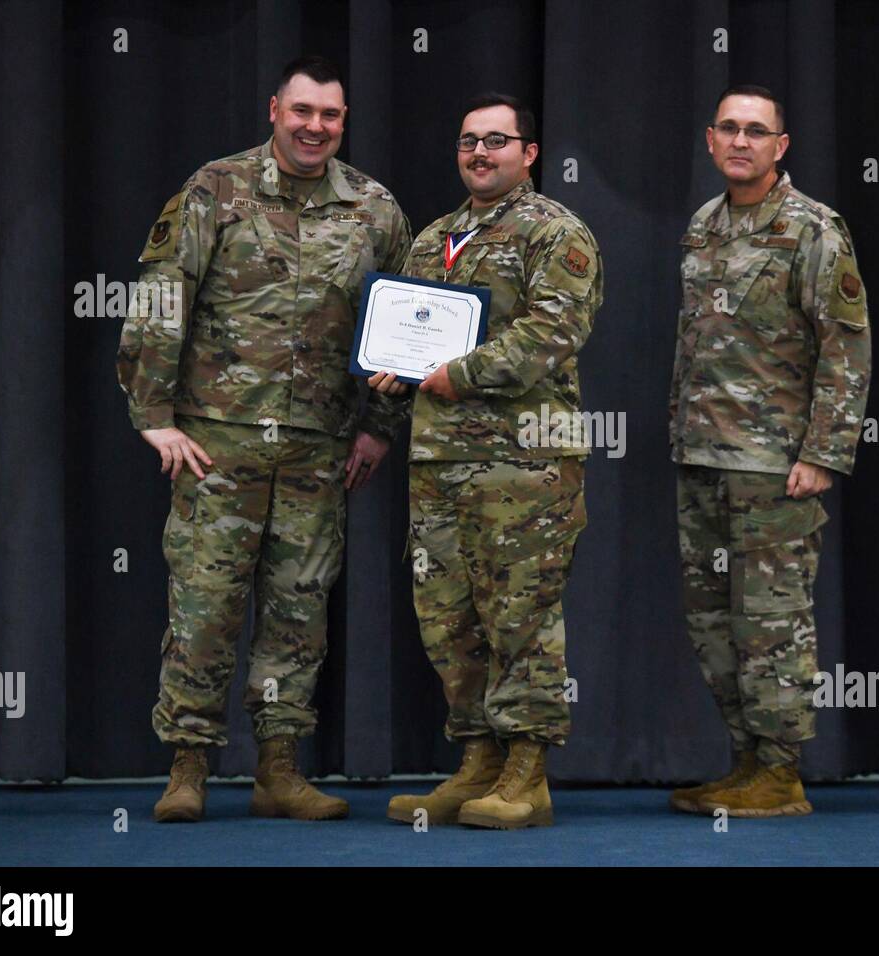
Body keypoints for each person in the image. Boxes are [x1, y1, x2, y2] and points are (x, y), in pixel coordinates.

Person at [116, 54, 412, 822]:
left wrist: (379, 430)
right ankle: (187, 767)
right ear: (274, 109)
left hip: (319, 446)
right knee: (205, 606)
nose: (316, 128)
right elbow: (160, 294)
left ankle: (278, 769)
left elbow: (402, 330)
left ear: (344, 123)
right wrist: (153, 417)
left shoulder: (375, 208)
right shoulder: (217, 189)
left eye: (332, 117)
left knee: (298, 609)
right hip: (220, 440)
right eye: (303, 112)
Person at [384, 92, 603, 830]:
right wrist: (394, 367)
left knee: (522, 617)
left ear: (529, 153)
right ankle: (477, 760)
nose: (481, 153)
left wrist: (457, 372)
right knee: (449, 621)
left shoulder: (557, 233)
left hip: (524, 464)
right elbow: (409, 335)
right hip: (439, 462)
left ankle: (528, 773)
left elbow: (551, 333)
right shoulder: (433, 238)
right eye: (469, 141)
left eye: (498, 141)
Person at [668, 85, 871, 817]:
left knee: (772, 623)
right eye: (729, 128)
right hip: (702, 456)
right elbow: (695, 346)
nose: (741, 141)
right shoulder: (703, 226)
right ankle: (745, 760)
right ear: (711, 139)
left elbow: (845, 348)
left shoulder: (813, 228)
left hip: (775, 466)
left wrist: (823, 452)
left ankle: (781, 774)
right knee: (713, 622)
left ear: (780, 146)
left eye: (757, 131)